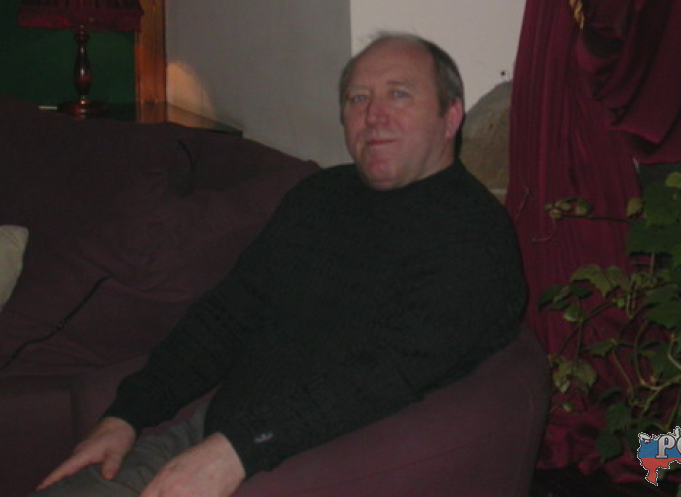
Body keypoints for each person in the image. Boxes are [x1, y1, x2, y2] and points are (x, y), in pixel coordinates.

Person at [33, 32, 528, 497]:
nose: (374, 115)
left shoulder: (471, 237)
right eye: (357, 98)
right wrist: (127, 415)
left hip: (305, 465)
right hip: (216, 436)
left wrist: (237, 452)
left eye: (399, 95)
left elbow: (384, 375)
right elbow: (228, 315)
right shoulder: (322, 197)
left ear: (450, 116)